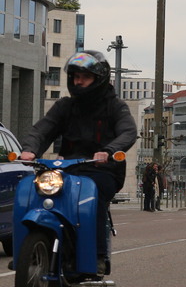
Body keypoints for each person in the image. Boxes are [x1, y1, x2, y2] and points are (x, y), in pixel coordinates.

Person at [20, 50, 137, 274]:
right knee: (34, 191)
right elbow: (43, 129)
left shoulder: (116, 107)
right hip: (67, 169)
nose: (78, 81)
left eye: (84, 77)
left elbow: (128, 132)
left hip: (102, 170)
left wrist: (109, 151)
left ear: (99, 78)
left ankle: (98, 257)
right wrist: (29, 150)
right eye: (75, 76)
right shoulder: (65, 106)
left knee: (93, 197)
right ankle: (29, 250)